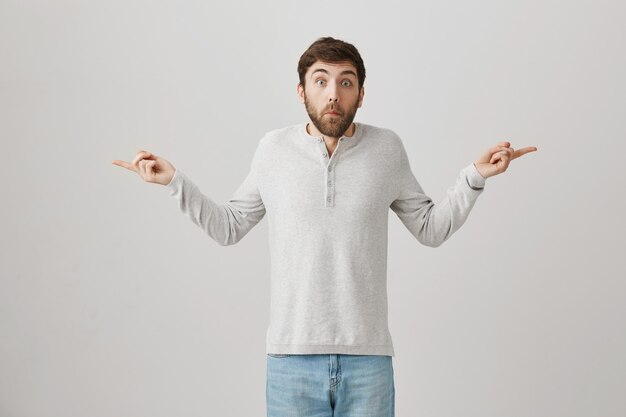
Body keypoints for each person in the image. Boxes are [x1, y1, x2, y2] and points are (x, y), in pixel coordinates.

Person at [112, 36, 537, 417]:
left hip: (368, 359)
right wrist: (174, 182)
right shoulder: (272, 149)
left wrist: (474, 177)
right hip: (290, 360)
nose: (333, 94)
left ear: (361, 93)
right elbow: (230, 226)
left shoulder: (386, 149)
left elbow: (431, 228)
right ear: (302, 91)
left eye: (345, 82)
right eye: (321, 81)